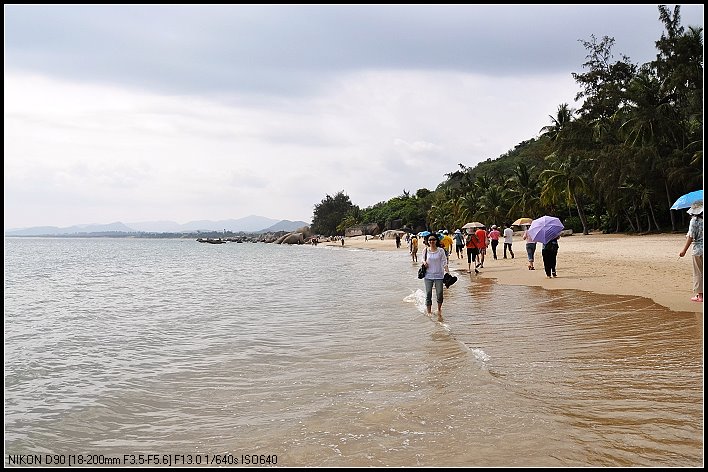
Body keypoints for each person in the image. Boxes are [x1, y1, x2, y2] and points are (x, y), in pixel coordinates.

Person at [422, 234, 450, 322]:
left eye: (433, 240)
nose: (432, 241)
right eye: (430, 240)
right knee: (428, 293)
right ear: (428, 241)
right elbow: (422, 259)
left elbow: (444, 262)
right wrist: (424, 262)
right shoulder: (425, 250)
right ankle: (429, 312)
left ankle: (439, 309)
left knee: (440, 293)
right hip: (428, 275)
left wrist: (448, 272)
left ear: (436, 241)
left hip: (439, 275)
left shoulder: (441, 251)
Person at [679, 201, 703, 302]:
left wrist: (683, 250)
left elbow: (691, 237)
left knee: (698, 272)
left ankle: (700, 296)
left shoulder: (694, 221)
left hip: (698, 250)